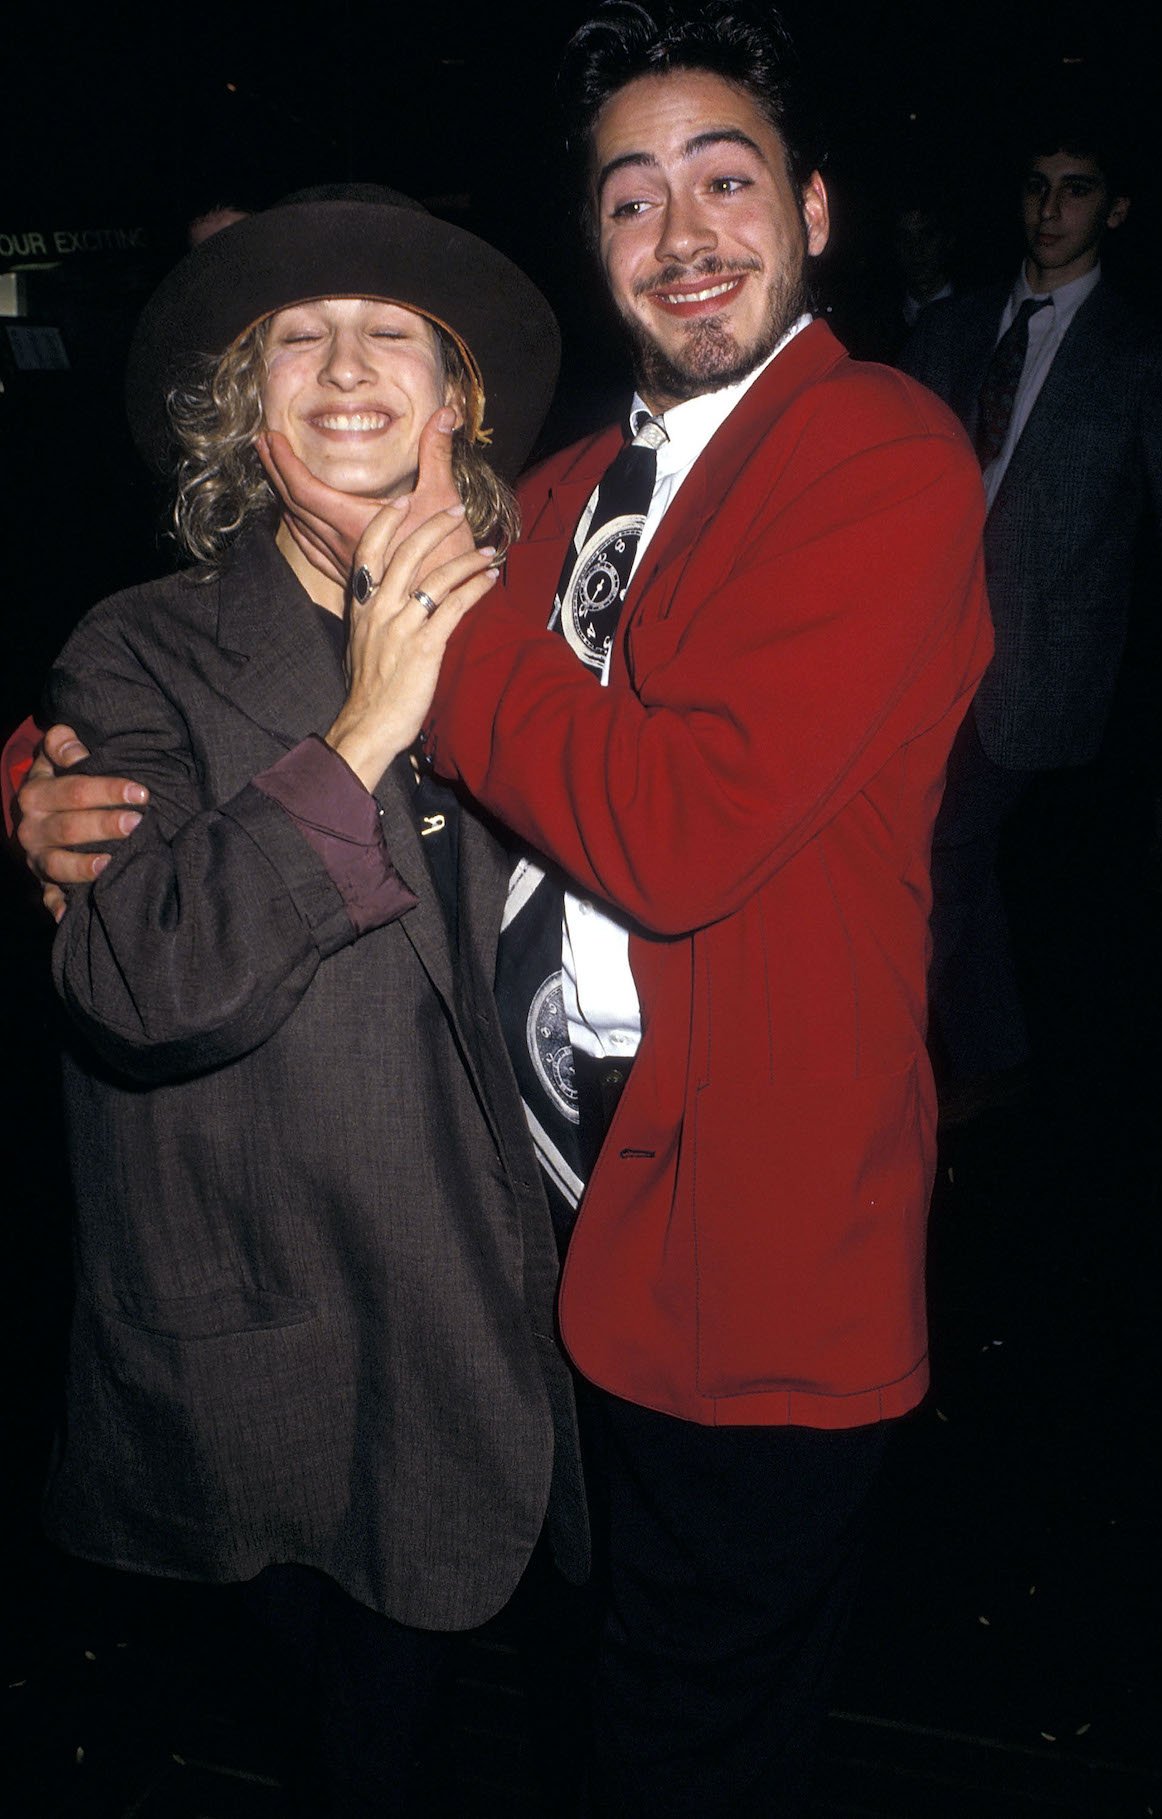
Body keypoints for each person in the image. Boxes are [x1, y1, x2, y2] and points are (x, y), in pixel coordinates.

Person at [16, 7, 992, 1811]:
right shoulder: (547, 510)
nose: (685, 229)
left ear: (819, 210)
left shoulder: (855, 454)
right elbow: (159, 860)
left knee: (668, 1735)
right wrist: (33, 782)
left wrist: (414, 657)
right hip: (432, 1309)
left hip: (701, 1274)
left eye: (728, 180)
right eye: (634, 198)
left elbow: (677, 825)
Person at [8, 184, 586, 1815]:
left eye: (390, 332)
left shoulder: (545, 621)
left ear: (457, 391)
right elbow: (144, 978)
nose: (346, 370)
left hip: (487, 1300)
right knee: (334, 1710)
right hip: (268, 1313)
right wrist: (365, 721)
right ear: (236, 406)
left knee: (412, 1703)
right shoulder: (137, 654)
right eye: (296, 341)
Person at [900, 115, 1162, 1116]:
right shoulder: (949, 332)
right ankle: (981, 1051)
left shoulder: (1137, 354)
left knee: (946, 849)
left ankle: (936, 1057)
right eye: (1036, 185)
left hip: (1038, 664)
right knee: (938, 856)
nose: (1048, 208)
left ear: (1112, 210)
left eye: (1075, 188)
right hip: (915, 649)